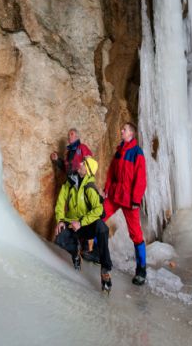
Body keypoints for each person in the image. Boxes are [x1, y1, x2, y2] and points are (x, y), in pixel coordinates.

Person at [54, 157, 113, 293]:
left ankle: (105, 268)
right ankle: (76, 254)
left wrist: (81, 222)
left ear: (87, 171)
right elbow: (60, 202)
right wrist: (60, 220)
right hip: (71, 222)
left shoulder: (90, 188)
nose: (80, 164)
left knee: (102, 228)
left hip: (85, 225)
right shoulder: (70, 182)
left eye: (84, 164)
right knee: (60, 238)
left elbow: (98, 210)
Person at [103, 122, 147, 285]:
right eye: (122, 128)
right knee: (99, 216)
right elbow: (111, 173)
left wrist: (136, 200)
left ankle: (141, 269)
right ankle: (93, 251)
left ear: (131, 134)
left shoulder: (137, 153)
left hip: (129, 199)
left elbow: (141, 179)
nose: (121, 130)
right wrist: (106, 189)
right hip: (115, 195)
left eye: (125, 129)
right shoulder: (119, 151)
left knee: (135, 234)